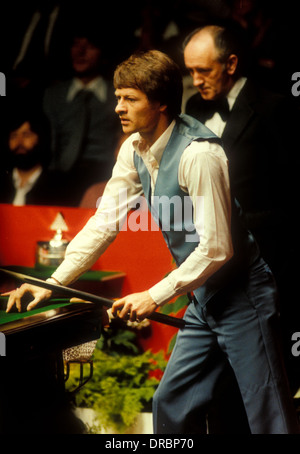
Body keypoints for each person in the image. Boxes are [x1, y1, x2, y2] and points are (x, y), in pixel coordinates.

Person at [3, 50, 299, 434]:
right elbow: (104, 222)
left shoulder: (200, 154)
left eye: (130, 98)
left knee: (267, 414)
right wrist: (56, 281)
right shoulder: (133, 149)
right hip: (204, 298)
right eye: (117, 96)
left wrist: (152, 296)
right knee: (171, 404)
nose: (118, 108)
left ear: (160, 102)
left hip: (243, 297)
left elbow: (217, 248)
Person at [183, 22, 300, 392]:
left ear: (231, 64)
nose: (196, 80)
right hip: (211, 260)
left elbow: (292, 192)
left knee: (269, 377)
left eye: (204, 70)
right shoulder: (192, 107)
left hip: (269, 261)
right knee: (222, 381)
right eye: (191, 71)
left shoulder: (275, 106)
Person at [42, 23, 122, 200]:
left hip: (104, 178)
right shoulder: (53, 95)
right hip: (58, 177)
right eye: (76, 45)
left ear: (103, 53)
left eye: (90, 46)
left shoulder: (118, 94)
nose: (81, 52)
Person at [0, 109, 68, 206]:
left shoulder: (59, 187)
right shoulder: (2, 184)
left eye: (26, 135)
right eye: (14, 136)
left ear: (41, 138)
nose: (19, 142)